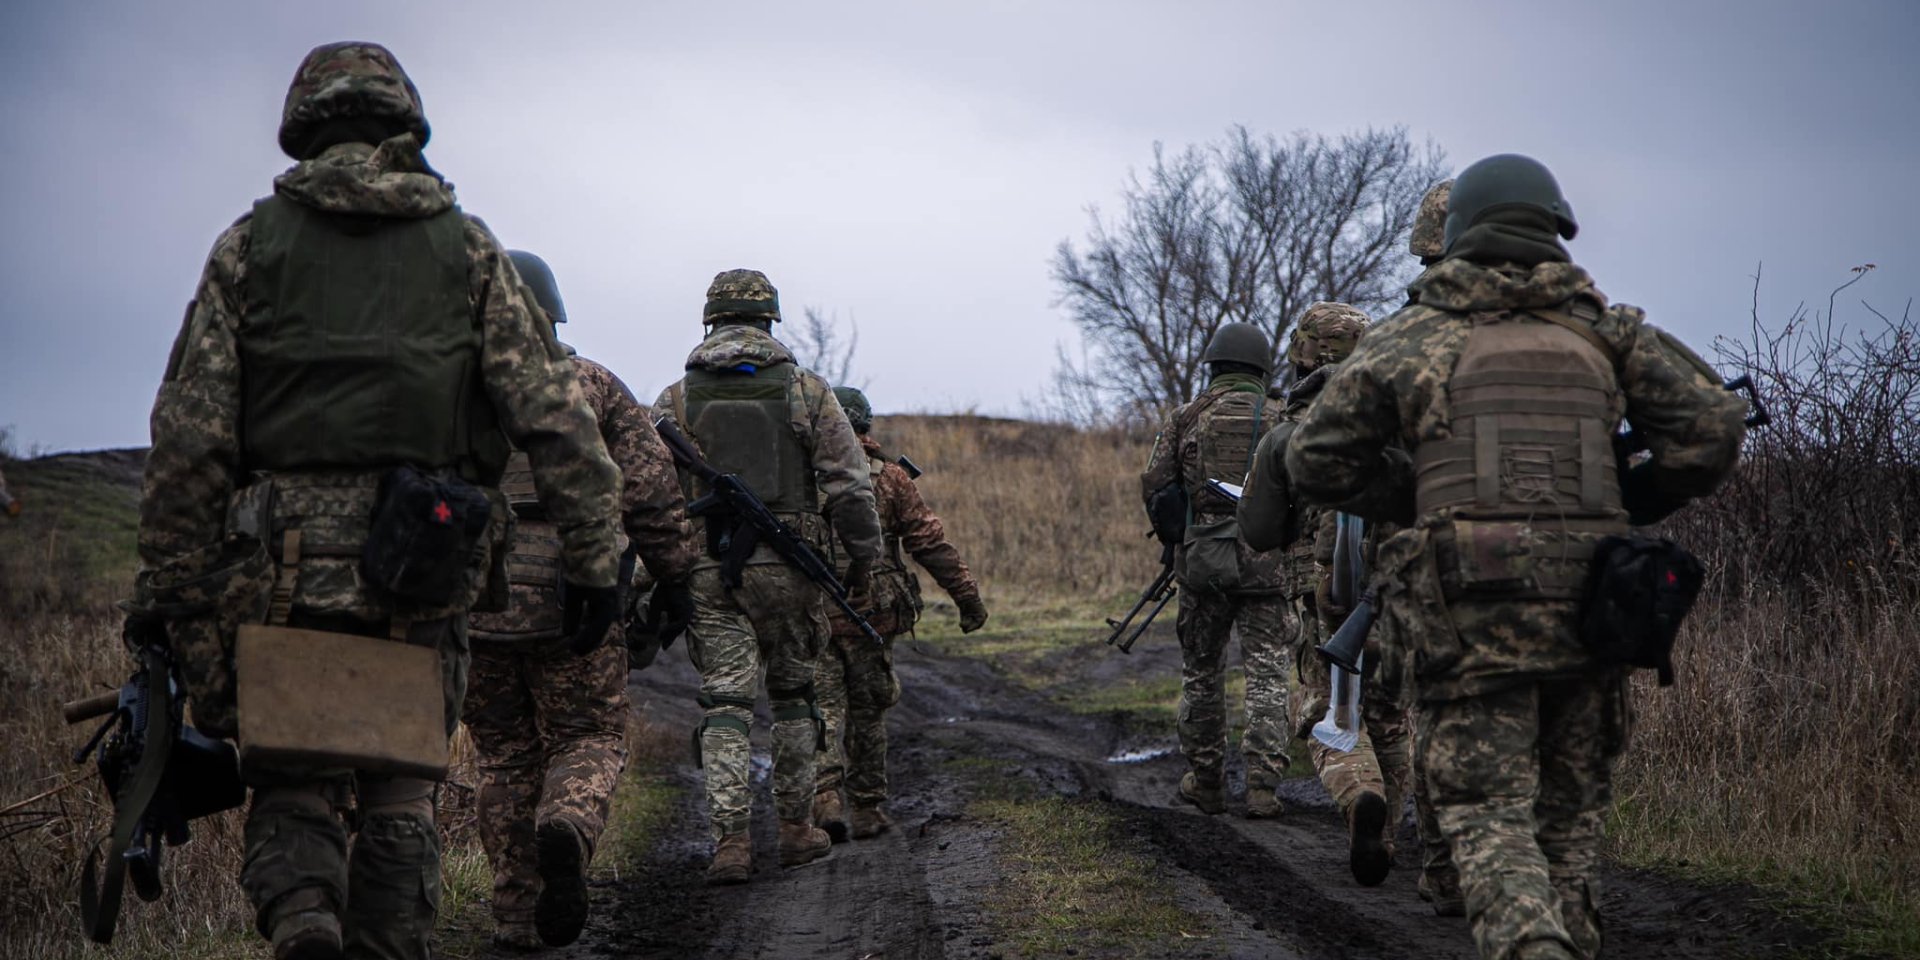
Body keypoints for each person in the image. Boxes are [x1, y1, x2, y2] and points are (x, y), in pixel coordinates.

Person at [127, 42, 623, 960]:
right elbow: (555, 418)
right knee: (400, 784)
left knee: (292, 780)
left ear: (302, 129)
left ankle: (307, 921)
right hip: (424, 558)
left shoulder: (247, 252)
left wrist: (168, 590)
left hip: (277, 563)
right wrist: (596, 562)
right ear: (406, 127)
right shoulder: (467, 250)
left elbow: (188, 440)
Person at [1286, 153, 1746, 960]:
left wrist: (1417, 494)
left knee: (1488, 820)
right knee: (1568, 832)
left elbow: (1315, 460)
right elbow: (1714, 427)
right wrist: (1633, 502)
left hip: (1473, 614)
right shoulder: (1605, 331)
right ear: (1555, 229)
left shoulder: (1417, 336)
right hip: (1597, 612)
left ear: (1458, 233)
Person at [464, 250, 697, 949]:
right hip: (575, 593)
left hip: (471, 600)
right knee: (588, 735)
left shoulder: (449, 389)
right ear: (554, 310)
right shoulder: (592, 385)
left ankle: (514, 916)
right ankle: (567, 823)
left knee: (504, 758)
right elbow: (652, 492)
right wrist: (676, 575)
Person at [653, 269, 883, 884]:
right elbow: (851, 487)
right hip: (789, 574)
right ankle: (794, 830)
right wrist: (863, 561)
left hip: (709, 574)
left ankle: (730, 844)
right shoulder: (808, 392)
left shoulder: (674, 400)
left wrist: (661, 571)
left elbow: (650, 492)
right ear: (770, 322)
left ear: (710, 321)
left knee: (725, 702)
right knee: (793, 698)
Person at [1239, 302, 1416, 888]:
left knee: (1330, 710)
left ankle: (1359, 794)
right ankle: (1391, 836)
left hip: (1326, 596)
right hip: (1402, 584)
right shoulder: (1407, 417)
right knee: (1390, 712)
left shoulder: (1293, 430)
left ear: (1305, 352)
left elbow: (1259, 530)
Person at [810, 386, 988, 841]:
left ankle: (824, 797)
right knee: (868, 710)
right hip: (873, 612)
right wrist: (967, 597)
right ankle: (867, 808)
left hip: (812, 612)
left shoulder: (800, 477)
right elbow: (928, 543)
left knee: (821, 706)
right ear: (866, 426)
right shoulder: (889, 478)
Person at [1139, 322, 1291, 818]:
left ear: (1214, 365)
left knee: (1202, 672)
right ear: (1261, 369)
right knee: (1267, 672)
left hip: (1204, 562)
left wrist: (1179, 537)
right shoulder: (1283, 416)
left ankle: (1206, 782)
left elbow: (1156, 485)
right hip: (1269, 564)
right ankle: (1263, 788)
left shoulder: (1186, 417)